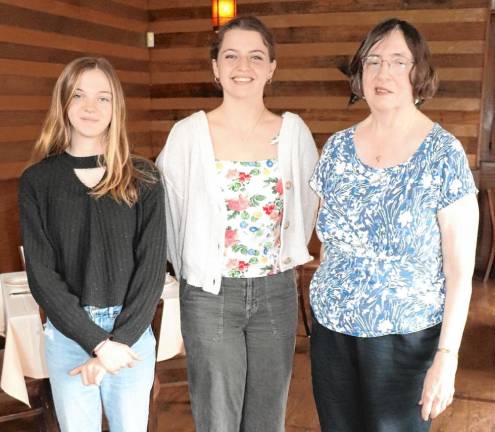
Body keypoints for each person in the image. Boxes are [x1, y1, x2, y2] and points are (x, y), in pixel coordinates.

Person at [309, 18, 479, 432]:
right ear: (360, 73)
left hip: (407, 340)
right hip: (332, 334)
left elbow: (460, 273)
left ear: (419, 73)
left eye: (398, 62)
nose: (383, 73)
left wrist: (447, 357)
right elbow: (325, 242)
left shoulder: (443, 154)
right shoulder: (336, 149)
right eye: (373, 61)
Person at [156, 16, 319, 432]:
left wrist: (284, 257)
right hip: (210, 296)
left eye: (255, 56)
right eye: (230, 55)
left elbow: (309, 203)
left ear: (271, 68)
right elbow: (169, 216)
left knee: (268, 417)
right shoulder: (187, 135)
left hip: (276, 292)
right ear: (215, 67)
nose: (242, 65)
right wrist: (194, 268)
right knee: (218, 419)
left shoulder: (293, 132)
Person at [18, 57, 167, 432]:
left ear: (116, 106)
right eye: (79, 95)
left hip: (130, 333)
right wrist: (97, 344)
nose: (90, 107)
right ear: (63, 102)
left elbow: (151, 270)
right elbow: (42, 277)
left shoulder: (143, 177)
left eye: (103, 98)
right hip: (68, 334)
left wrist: (116, 341)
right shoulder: (38, 182)